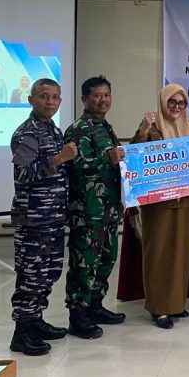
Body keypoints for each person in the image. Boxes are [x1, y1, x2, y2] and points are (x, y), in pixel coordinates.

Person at [9, 79, 77, 356]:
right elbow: (22, 174)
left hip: (52, 216)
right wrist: (60, 158)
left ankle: (36, 320)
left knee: (48, 273)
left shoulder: (53, 129)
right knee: (31, 275)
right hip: (33, 219)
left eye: (55, 97)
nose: (50, 102)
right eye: (44, 96)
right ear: (31, 99)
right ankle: (22, 333)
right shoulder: (27, 133)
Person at [131, 84, 189, 328]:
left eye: (181, 103)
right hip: (158, 203)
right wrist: (144, 128)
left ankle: (175, 304)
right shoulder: (152, 127)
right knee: (158, 253)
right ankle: (158, 307)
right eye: (172, 102)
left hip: (186, 200)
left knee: (181, 253)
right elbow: (135, 156)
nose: (177, 107)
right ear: (163, 102)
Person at [64, 76, 126, 339]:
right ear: (84, 99)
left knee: (106, 258)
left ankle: (96, 305)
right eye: (97, 95)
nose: (103, 100)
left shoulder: (104, 127)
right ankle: (78, 315)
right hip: (87, 212)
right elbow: (74, 166)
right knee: (84, 262)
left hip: (108, 209)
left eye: (107, 95)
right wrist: (107, 158)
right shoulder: (78, 129)